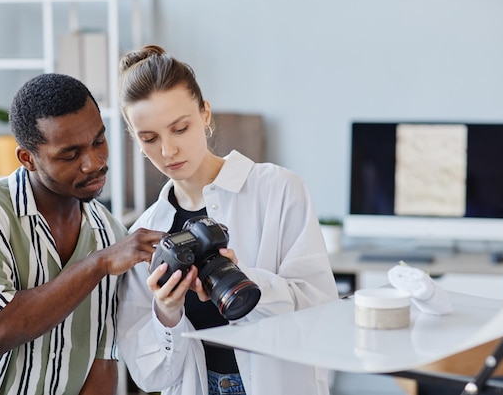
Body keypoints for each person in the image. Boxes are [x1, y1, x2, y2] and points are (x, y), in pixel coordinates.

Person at [116, 45, 339, 395]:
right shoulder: (144, 234)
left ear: (205, 114)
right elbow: (150, 377)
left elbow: (320, 314)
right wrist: (166, 314)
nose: (168, 151)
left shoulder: (278, 190)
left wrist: (247, 281)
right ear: (136, 139)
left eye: (180, 128)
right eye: (150, 138)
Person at [0, 73, 164, 395]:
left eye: (98, 141)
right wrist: (98, 264)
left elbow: (102, 360)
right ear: (28, 158)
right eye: (70, 154)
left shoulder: (110, 232)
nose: (93, 163)